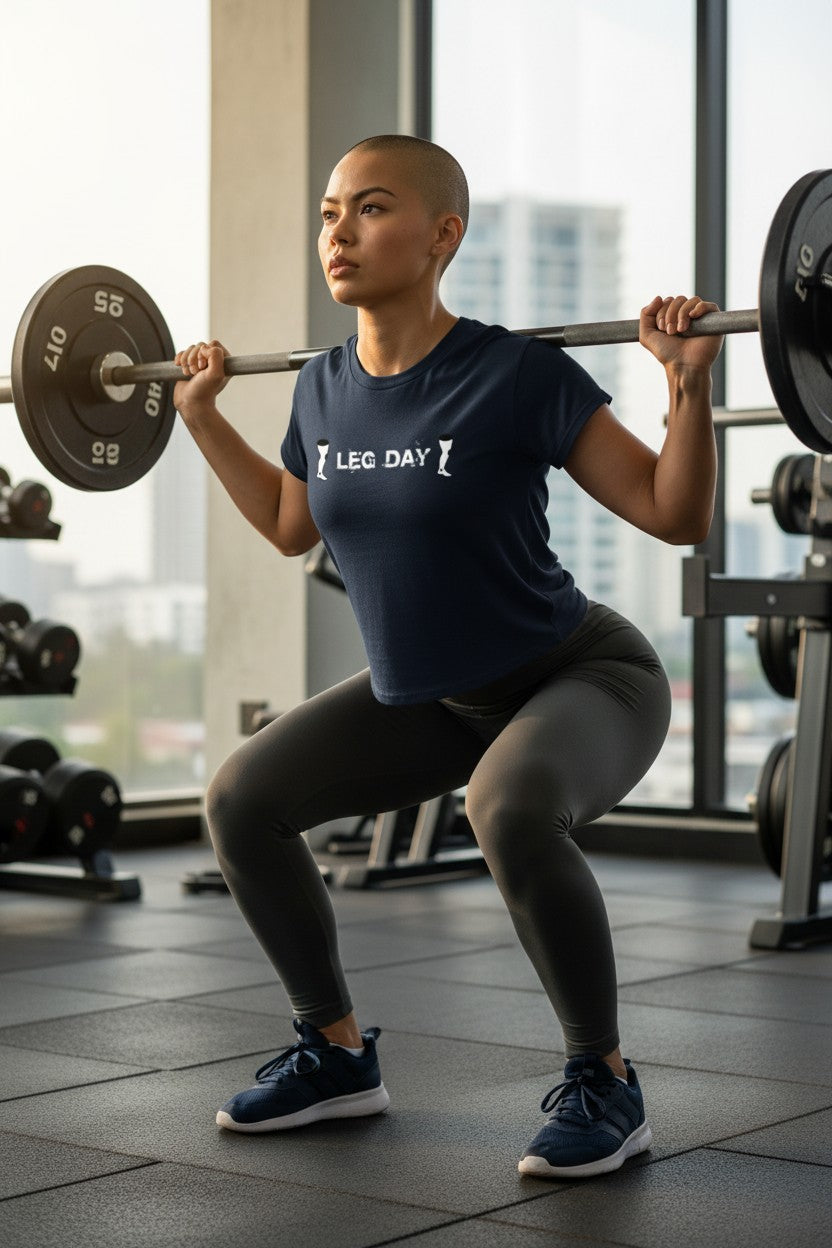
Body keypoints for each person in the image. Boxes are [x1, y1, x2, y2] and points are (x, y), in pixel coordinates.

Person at [173, 134, 721, 1181]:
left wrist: (685, 387)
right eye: (329, 212)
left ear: (441, 236)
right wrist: (201, 420)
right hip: (434, 697)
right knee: (241, 797)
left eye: (369, 209)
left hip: (579, 675)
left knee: (506, 807)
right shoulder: (324, 386)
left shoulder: (513, 372)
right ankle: (333, 1054)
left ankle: (604, 1080)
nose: (338, 231)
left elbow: (672, 510)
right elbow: (294, 527)